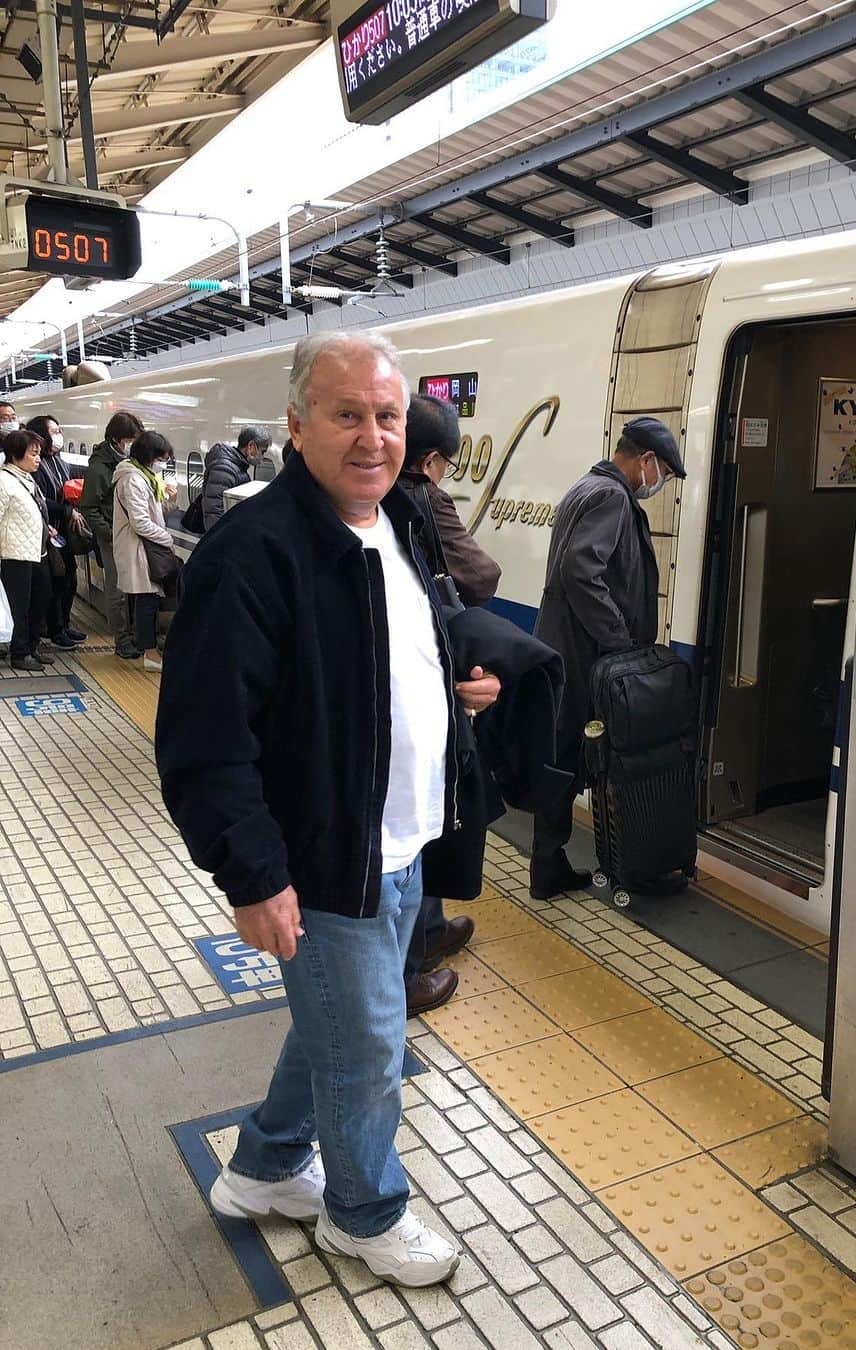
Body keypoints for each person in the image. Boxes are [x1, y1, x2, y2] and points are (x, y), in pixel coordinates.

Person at [155, 331, 500, 1288]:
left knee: (338, 1026)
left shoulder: (399, 525)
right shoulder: (252, 554)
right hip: (322, 848)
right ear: (298, 423)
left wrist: (453, 688)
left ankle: (265, 1170)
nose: (373, 438)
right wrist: (254, 875)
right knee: (372, 1043)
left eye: (387, 416)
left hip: (399, 837)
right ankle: (362, 1212)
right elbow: (204, 740)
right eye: (347, 414)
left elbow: (395, 649)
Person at [530, 417, 687, 899]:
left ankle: (550, 862)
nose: (657, 484)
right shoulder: (612, 497)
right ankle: (563, 863)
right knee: (578, 755)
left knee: (563, 755)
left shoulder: (587, 485)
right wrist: (620, 642)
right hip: (585, 655)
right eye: (661, 472)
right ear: (645, 461)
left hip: (567, 648)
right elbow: (582, 571)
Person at [398, 394, 502, 1014]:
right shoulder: (425, 498)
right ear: (433, 458)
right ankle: (411, 965)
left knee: (429, 811)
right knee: (427, 811)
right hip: (426, 681)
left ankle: (430, 932)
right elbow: (481, 577)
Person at [112, 430, 178, 672]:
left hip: (145, 548)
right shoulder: (133, 479)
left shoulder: (146, 477)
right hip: (137, 549)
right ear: (150, 456)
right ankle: (150, 654)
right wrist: (167, 538)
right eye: (162, 458)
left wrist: (171, 498)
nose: (164, 463)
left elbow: (154, 513)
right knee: (146, 601)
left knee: (147, 600)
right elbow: (140, 522)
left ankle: (151, 651)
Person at [82, 411, 143, 659]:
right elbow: (88, 507)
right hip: (112, 538)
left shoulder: (128, 462)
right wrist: (110, 534)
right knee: (117, 588)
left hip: (129, 535)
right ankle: (121, 639)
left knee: (134, 585)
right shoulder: (99, 468)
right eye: (131, 441)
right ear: (118, 440)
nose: (134, 446)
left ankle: (134, 634)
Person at [26, 414, 87, 651]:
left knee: (70, 579)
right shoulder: (36, 464)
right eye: (54, 431)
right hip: (47, 532)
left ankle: (65, 622)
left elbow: (68, 486)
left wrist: (71, 505)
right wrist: (65, 509)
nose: (59, 436)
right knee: (55, 582)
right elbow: (39, 498)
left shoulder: (59, 461)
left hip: (64, 532)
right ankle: (54, 629)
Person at [0, 430, 58, 672]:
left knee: (41, 598)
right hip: (14, 554)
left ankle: (32, 646)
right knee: (20, 606)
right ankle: (20, 653)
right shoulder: (4, 481)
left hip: (36, 550)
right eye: (33, 454)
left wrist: (46, 527)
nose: (38, 459)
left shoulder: (25, 477)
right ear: (15, 455)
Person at [201, 426, 271, 530]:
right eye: (262, 451)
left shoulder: (238, 466)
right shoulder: (224, 470)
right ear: (251, 446)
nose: (262, 457)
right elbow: (214, 513)